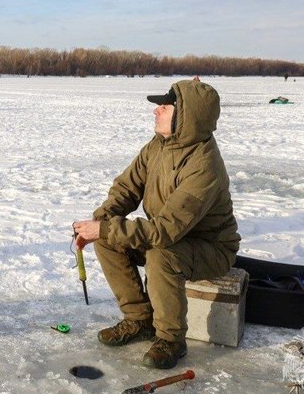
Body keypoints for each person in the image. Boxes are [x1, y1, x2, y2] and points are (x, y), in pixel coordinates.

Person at [73, 79, 240, 369]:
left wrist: (105, 228)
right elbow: (126, 188)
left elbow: (163, 232)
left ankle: (171, 339)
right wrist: (99, 222)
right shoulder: (159, 146)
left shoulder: (205, 165)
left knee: (161, 254)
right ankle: (139, 320)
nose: (156, 111)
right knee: (107, 237)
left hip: (211, 249)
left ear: (186, 116)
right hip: (172, 236)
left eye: (164, 106)